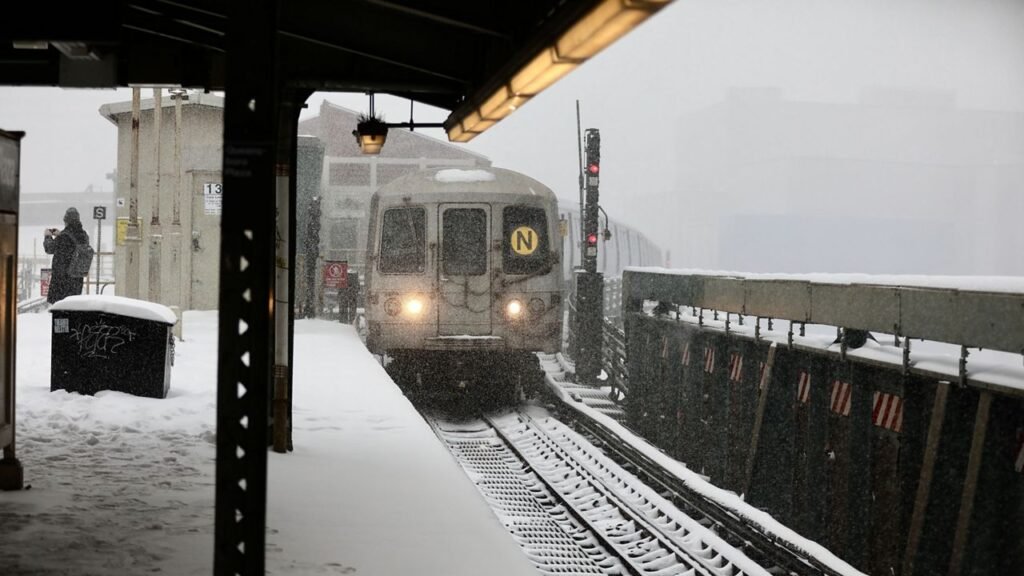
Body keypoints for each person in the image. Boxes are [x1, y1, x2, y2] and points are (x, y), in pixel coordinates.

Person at [43, 207, 90, 304]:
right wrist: (60, 234)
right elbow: (71, 244)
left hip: (62, 280)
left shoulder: (64, 237)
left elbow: (50, 248)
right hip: (77, 280)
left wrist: (48, 236)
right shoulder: (84, 236)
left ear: (66, 221)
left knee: (61, 308)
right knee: (73, 306)